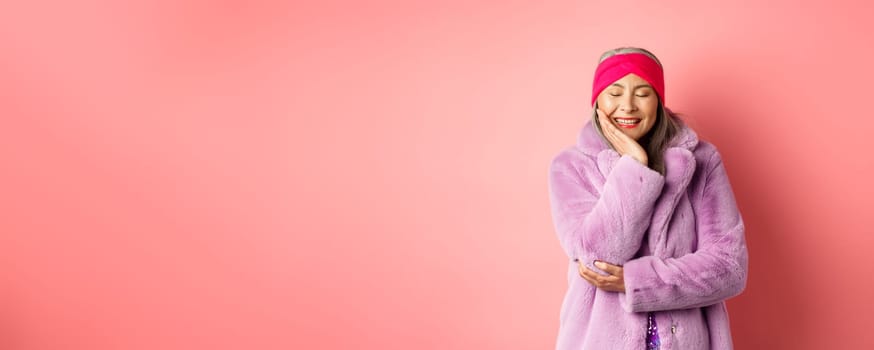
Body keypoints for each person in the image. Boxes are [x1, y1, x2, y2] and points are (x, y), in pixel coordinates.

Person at [547, 47, 748, 349]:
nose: (627, 106)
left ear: (658, 101)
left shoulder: (703, 161)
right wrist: (635, 166)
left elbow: (730, 267)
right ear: (597, 101)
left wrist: (638, 280)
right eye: (614, 93)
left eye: (642, 93)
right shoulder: (572, 166)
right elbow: (597, 259)